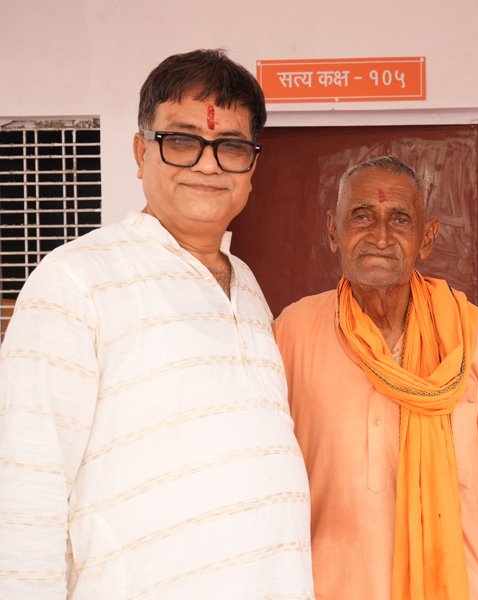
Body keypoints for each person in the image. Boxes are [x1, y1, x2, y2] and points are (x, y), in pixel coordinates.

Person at [0, 49, 313, 598]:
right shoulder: (76, 279)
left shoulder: (245, 285)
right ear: (141, 151)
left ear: (252, 167)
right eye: (182, 140)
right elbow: (25, 484)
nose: (208, 165)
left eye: (231, 146)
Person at [275, 155, 478, 599]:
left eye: (400, 219)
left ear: (427, 238)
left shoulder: (467, 332)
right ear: (333, 231)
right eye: (361, 216)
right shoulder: (292, 332)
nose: (380, 236)